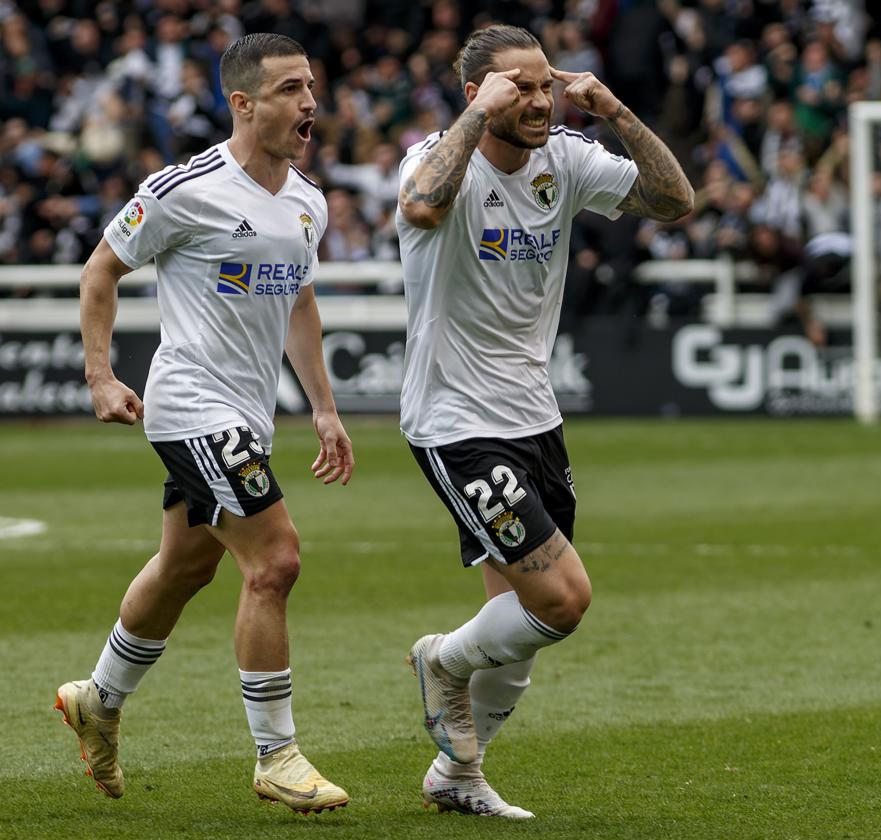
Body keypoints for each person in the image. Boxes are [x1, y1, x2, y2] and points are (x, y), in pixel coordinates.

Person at [394, 24, 693, 819]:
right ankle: (439, 664)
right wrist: (471, 120)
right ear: (476, 94)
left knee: (519, 618)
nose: (536, 99)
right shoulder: (433, 158)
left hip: (534, 414)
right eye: (515, 87)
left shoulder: (565, 157)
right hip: (455, 416)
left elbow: (675, 203)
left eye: (542, 84)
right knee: (561, 599)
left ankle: (457, 779)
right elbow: (422, 208)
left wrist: (617, 110)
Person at [56, 33, 355, 814]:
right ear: (244, 104)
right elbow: (101, 270)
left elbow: (299, 302)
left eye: (311, 88)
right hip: (190, 402)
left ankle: (99, 697)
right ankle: (276, 754)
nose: (309, 104)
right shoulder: (185, 189)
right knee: (276, 559)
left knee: (186, 568)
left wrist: (322, 406)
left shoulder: (307, 201)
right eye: (291, 89)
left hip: (249, 415)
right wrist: (100, 376)